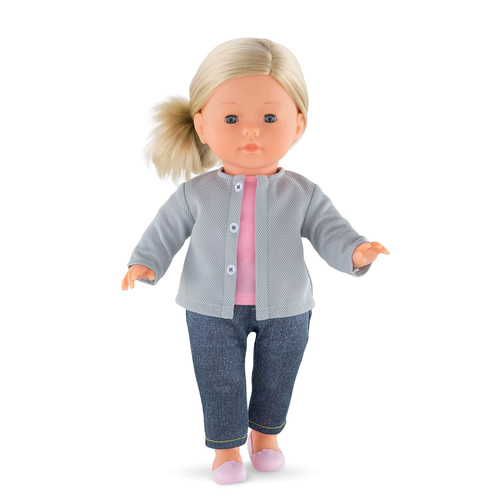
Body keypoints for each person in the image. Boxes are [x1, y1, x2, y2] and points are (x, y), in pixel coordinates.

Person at [121, 37, 389, 485]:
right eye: (231, 118)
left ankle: (266, 436)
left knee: (277, 376)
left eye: (269, 118)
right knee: (218, 378)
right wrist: (146, 261)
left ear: (297, 123)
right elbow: (165, 230)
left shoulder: (302, 192)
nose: (251, 131)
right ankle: (226, 447)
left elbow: (330, 230)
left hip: (286, 306)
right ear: (202, 124)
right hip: (209, 306)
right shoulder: (195, 193)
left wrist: (355, 251)